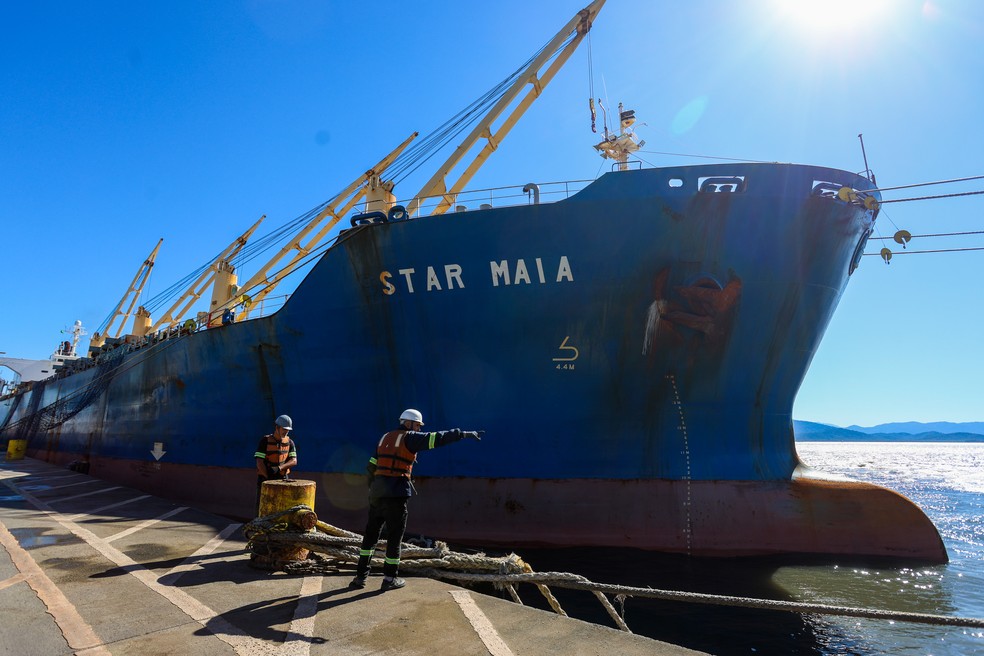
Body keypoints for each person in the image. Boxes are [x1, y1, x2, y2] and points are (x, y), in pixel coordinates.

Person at [350, 408, 483, 591]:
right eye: (418, 425)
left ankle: (359, 578)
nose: (419, 429)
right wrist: (463, 434)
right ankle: (389, 579)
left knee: (370, 537)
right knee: (395, 538)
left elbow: (371, 466)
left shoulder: (384, 438)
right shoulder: (410, 438)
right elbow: (437, 438)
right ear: (410, 423)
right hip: (397, 494)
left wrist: (373, 488)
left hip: (377, 494)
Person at [254, 414, 298, 515]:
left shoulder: (290, 443)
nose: (286, 432)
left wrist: (279, 468)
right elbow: (259, 462)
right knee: (262, 508)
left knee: (282, 508)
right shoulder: (265, 441)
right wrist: (268, 477)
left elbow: (294, 461)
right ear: (277, 427)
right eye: (284, 429)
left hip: (283, 480)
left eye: (288, 430)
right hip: (265, 480)